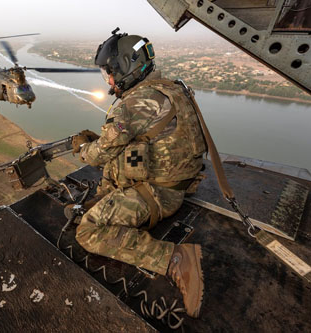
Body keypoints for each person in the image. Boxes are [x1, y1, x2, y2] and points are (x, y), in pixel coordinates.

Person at [71, 29, 206, 318]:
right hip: (180, 181)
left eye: (109, 72)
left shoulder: (135, 104)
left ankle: (173, 259)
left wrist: (82, 148)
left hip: (160, 193)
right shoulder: (171, 87)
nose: (109, 80)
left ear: (125, 68)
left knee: (88, 231)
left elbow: (99, 154)